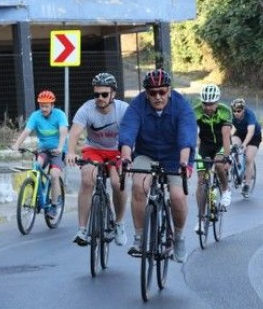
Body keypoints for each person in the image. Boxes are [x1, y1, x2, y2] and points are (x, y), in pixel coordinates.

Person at [118, 69, 197, 263]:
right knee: (139, 186)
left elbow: (186, 136)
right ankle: (139, 238)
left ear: (169, 90)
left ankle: (178, 238)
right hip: (147, 153)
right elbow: (128, 130)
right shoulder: (137, 105)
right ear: (146, 93)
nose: (158, 96)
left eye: (162, 91)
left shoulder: (181, 106)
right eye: (153, 93)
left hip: (175, 156)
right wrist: (126, 156)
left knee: (178, 196)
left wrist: (184, 162)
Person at [65, 73, 129, 247]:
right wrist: (70, 152)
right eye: (96, 94)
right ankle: (82, 230)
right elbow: (75, 132)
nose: (100, 98)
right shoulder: (87, 108)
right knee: (87, 179)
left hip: (117, 150)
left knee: (118, 183)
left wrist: (128, 157)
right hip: (94, 150)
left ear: (113, 94)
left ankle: (119, 224)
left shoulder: (123, 109)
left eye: (104, 94)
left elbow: (132, 133)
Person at [12, 90, 68, 219]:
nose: (44, 108)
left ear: (52, 105)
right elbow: (27, 131)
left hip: (57, 152)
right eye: (42, 105)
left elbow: (63, 131)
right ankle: (40, 189)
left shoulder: (60, 115)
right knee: (36, 166)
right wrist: (17, 145)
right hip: (43, 150)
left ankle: (54, 206)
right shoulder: (35, 116)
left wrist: (60, 148)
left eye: (46, 106)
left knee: (54, 175)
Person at [192, 84, 232, 233]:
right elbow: (193, 135)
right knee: (201, 180)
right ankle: (201, 220)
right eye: (205, 104)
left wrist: (226, 157)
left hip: (220, 144)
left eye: (211, 104)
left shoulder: (225, 111)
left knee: (219, 165)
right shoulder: (195, 112)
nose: (208, 107)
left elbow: (226, 136)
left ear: (217, 102)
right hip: (204, 146)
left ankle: (226, 189)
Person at [230, 98, 262, 197]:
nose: (236, 113)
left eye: (239, 111)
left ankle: (247, 185)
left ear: (243, 110)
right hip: (240, 133)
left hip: (253, 136)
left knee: (248, 158)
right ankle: (237, 167)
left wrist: (244, 144)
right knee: (234, 148)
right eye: (234, 111)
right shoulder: (232, 115)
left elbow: (251, 132)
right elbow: (230, 129)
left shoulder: (249, 115)